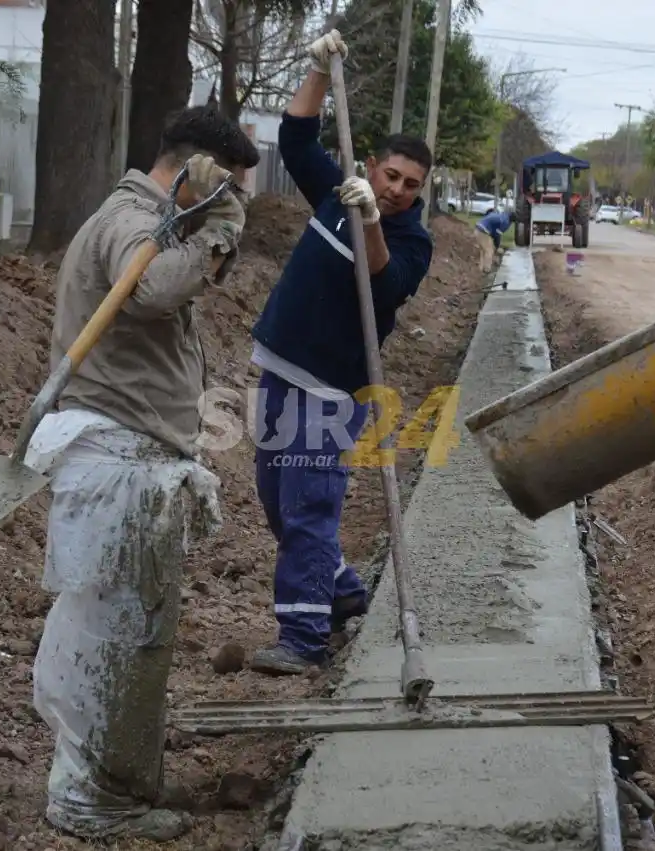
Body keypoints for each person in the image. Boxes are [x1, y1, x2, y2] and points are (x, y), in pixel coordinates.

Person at [25, 106, 260, 842]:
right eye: (231, 184)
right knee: (118, 639)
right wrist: (222, 224)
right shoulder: (133, 220)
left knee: (129, 634)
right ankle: (95, 801)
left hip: (128, 461)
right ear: (199, 170)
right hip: (118, 466)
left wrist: (203, 221)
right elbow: (154, 290)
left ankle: (119, 782)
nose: (236, 199)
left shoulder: (152, 220)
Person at [246, 29, 435, 676]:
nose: (398, 189)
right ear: (372, 166)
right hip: (279, 367)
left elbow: (385, 284)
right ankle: (345, 591)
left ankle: (303, 640)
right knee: (278, 503)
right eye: (391, 176)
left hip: (330, 390)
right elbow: (297, 140)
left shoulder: (413, 241)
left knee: (309, 508)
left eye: (411, 184)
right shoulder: (335, 191)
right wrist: (319, 72)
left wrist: (373, 221)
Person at [475, 207, 514, 272]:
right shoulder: (505, 222)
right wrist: (497, 246)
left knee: (483, 250)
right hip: (483, 231)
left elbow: (493, 228)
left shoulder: (502, 215)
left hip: (478, 227)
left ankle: (480, 268)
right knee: (489, 251)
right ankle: (486, 270)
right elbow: (497, 235)